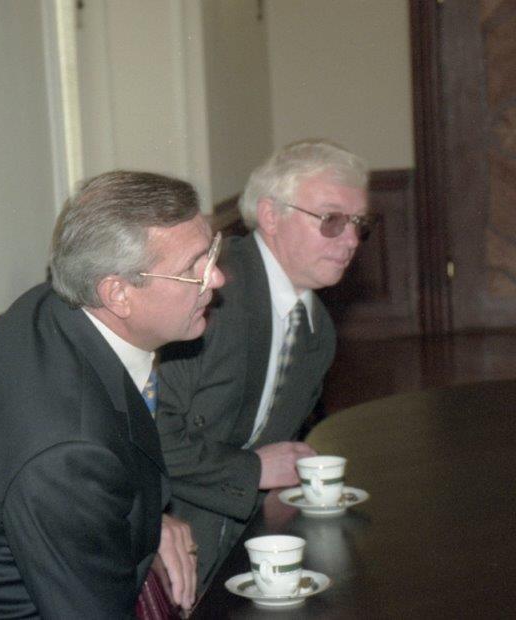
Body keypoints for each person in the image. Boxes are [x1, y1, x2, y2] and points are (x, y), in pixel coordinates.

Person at [0, 170, 225, 618]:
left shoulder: (57, 306)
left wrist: (145, 524)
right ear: (117, 294)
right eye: (192, 269)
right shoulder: (68, 447)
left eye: (211, 254)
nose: (216, 278)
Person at [155, 139, 372, 589]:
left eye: (358, 224)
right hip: (160, 538)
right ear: (271, 215)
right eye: (331, 220)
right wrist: (253, 472)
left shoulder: (317, 330)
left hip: (237, 543)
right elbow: (148, 435)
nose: (351, 240)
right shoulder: (208, 296)